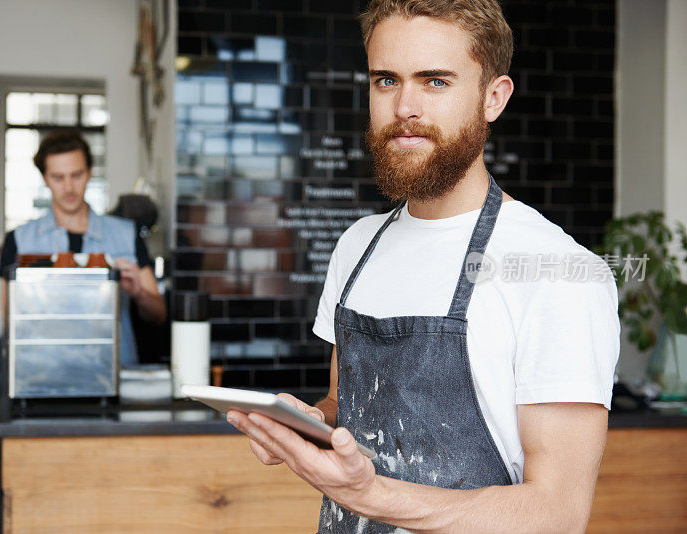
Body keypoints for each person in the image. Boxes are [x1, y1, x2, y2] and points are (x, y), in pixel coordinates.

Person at [227, 1, 620, 532]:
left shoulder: (557, 269)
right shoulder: (358, 246)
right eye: (386, 80)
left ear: (493, 98)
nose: (404, 106)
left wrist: (371, 495)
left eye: (435, 81)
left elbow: (558, 513)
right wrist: (309, 425)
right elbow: (352, 404)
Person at [0, 130, 166, 366]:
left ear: (89, 173)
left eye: (76, 175)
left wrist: (139, 293)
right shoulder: (19, 240)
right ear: (45, 178)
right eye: (58, 177)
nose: (68, 187)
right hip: (43, 374)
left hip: (115, 372)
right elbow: (9, 320)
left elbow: (158, 314)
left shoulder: (126, 235)